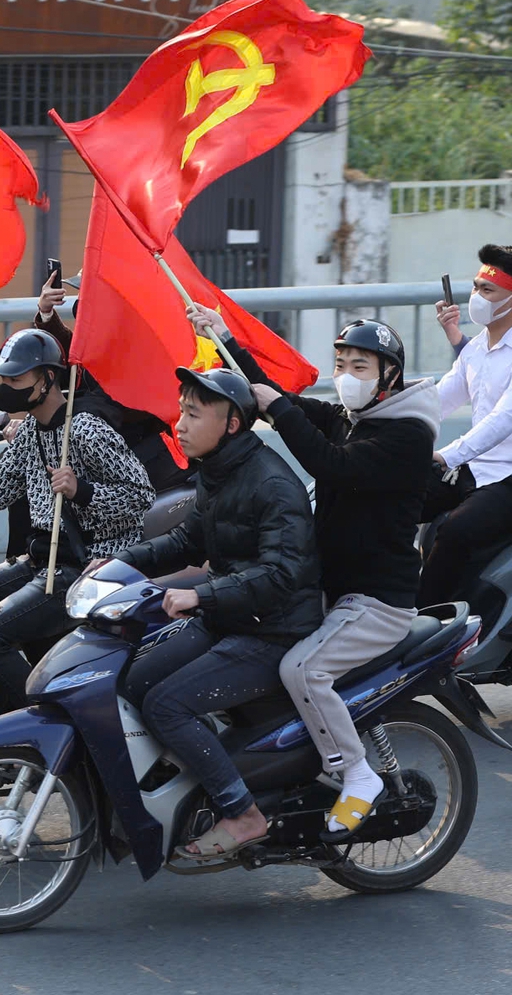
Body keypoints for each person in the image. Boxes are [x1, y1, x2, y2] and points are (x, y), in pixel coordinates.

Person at [187, 304, 439, 842]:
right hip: (331, 591)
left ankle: (357, 774)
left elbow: (331, 465)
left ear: (389, 375)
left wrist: (284, 409)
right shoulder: (355, 419)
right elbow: (280, 403)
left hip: (377, 602)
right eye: (341, 364)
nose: (347, 376)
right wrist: (223, 333)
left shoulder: (407, 435)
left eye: (361, 367)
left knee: (302, 669)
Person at [119, 368, 322, 864]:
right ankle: (187, 787)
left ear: (231, 423)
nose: (179, 424)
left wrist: (201, 597)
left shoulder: (272, 483)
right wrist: (120, 562)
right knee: (131, 680)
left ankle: (241, 811)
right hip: (232, 617)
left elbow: (280, 576)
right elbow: (189, 541)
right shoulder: (218, 470)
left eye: (192, 414)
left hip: (272, 631)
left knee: (166, 704)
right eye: (181, 411)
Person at [0, 328, 153, 699]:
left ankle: (35, 720)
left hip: (86, 568)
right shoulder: (32, 430)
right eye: (5, 379)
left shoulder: (87, 430)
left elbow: (140, 496)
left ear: (47, 378)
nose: (7, 387)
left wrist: (83, 491)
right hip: (39, 561)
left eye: (16, 379)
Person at [421, 244, 512, 609]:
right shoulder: (476, 348)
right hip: (474, 470)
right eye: (475, 288)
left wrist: (445, 455)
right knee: (389, 499)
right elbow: (439, 401)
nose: (476, 297)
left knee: (454, 531)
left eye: (487, 290)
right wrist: (393, 422)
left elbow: (505, 418)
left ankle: (423, 621)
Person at [32, 274, 192, 492]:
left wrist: (57, 418)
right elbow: (74, 357)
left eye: (88, 294)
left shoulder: (137, 343)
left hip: (133, 458)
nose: (80, 300)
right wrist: (46, 313)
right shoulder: (99, 334)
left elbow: (107, 403)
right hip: (95, 447)